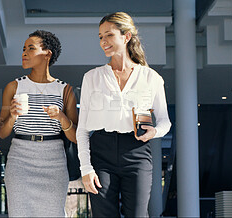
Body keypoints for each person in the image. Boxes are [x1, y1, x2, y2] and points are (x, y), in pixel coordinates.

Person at [76, 12, 172, 217]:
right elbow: (82, 128)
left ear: (126, 36)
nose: (103, 41)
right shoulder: (92, 77)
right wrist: (86, 168)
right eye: (100, 37)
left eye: (109, 35)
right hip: (101, 152)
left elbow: (165, 121)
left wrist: (154, 132)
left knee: (138, 214)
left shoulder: (150, 77)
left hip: (137, 153)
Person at [0, 30, 78, 217]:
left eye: (31, 49)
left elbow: (76, 136)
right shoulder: (14, 86)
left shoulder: (65, 90)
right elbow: (2, 132)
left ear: (47, 54)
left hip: (54, 162)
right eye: (24, 49)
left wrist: (62, 118)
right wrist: (12, 116)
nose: (24, 53)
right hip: (20, 160)